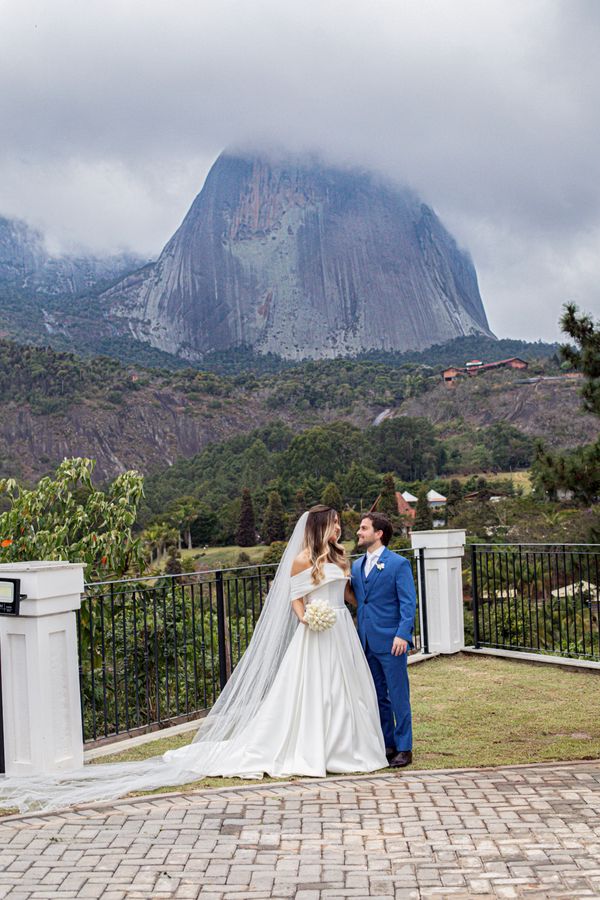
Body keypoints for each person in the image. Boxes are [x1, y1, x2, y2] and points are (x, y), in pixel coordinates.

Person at [0, 506, 386, 813]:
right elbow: (295, 602)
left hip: (341, 633)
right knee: (314, 694)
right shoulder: (302, 559)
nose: (340, 529)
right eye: (335, 524)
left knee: (345, 692)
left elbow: (346, 595)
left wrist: (353, 607)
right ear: (320, 526)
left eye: (340, 525)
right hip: (316, 634)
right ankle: (312, 748)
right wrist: (311, 620)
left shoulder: (340, 557)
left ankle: (345, 748)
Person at [351, 512, 417, 768]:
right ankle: (387, 743)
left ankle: (404, 748)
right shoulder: (356, 566)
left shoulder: (398, 564)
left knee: (398, 694)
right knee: (378, 695)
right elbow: (358, 599)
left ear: (378, 534)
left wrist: (402, 634)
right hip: (366, 641)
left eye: (363, 528)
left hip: (392, 641)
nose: (359, 532)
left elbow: (408, 602)